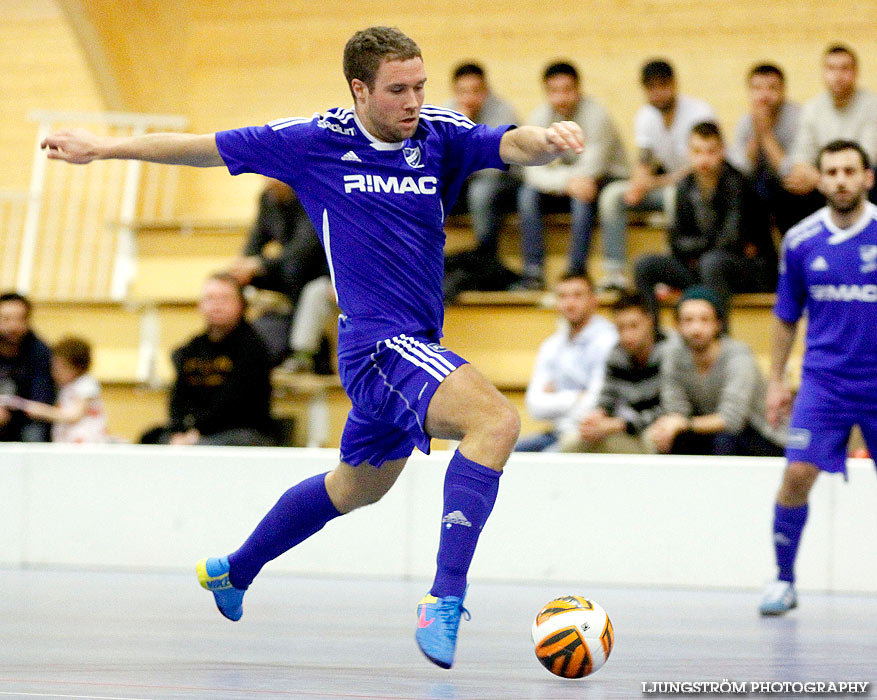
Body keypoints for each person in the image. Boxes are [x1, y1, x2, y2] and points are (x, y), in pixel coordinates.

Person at [40, 26, 586, 669]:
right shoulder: (314, 142)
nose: (413, 101)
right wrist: (101, 148)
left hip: (416, 346)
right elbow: (201, 148)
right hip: (378, 345)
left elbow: (507, 144)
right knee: (495, 420)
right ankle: (445, 597)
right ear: (359, 89)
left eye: (419, 86)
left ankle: (234, 569)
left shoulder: (437, 131)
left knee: (354, 489)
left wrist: (548, 143)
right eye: (396, 91)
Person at [758, 140, 877, 616]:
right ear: (821, 180)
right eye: (832, 171)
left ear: (867, 178)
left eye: (851, 170)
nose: (841, 179)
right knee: (797, 474)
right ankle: (783, 580)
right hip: (824, 382)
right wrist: (775, 380)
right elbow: (786, 315)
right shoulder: (801, 240)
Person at [634, 121, 777, 317]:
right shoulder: (685, 185)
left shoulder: (738, 183)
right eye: (697, 151)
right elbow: (676, 242)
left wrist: (695, 250)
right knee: (645, 265)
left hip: (750, 269)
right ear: (688, 153)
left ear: (722, 152)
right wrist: (700, 249)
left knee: (712, 263)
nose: (704, 159)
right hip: (702, 266)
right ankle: (653, 337)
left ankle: (720, 339)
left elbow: (731, 241)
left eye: (711, 151)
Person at [596, 59, 715, 291]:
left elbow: (701, 163)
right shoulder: (645, 116)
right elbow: (645, 160)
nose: (657, 93)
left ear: (674, 85)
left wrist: (656, 182)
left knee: (674, 196)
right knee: (612, 195)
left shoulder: (700, 112)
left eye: (662, 86)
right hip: (666, 182)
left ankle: (672, 268)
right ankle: (614, 272)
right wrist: (637, 185)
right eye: (651, 88)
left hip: (696, 186)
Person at [516, 62, 629, 289]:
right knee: (527, 195)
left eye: (567, 90)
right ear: (546, 93)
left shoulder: (597, 116)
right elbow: (530, 170)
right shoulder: (539, 117)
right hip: (567, 184)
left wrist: (563, 180)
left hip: (605, 179)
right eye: (554, 91)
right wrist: (566, 182)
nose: (562, 97)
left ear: (578, 90)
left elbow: (594, 166)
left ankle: (577, 270)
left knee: (583, 195)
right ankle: (533, 272)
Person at [139, 273, 276, 447]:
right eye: (210, 299)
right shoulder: (192, 348)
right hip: (198, 431)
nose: (217, 305)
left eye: (225, 298)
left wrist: (196, 431)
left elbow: (235, 405)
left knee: (204, 446)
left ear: (241, 305)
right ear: (200, 305)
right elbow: (179, 398)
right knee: (149, 439)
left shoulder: (253, 348)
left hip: (240, 431)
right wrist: (180, 430)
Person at [647, 286, 785, 457]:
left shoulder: (738, 356)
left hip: (764, 435)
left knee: (726, 440)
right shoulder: (673, 356)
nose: (696, 329)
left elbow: (732, 420)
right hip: (711, 431)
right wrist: (669, 428)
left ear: (717, 324)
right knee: (671, 439)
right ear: (678, 325)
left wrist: (684, 423)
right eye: (688, 320)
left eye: (704, 320)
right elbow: (675, 409)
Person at [227, 178, 329, 365]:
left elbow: (305, 248)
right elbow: (256, 238)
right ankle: (237, 344)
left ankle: (302, 357)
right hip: (289, 270)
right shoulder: (268, 198)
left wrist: (259, 264)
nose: (269, 181)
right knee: (235, 280)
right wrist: (243, 265)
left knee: (307, 285)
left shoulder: (312, 193)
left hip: (322, 271)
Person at [516, 272, 617, 451]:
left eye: (578, 295)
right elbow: (534, 406)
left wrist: (556, 398)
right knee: (504, 455)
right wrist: (577, 396)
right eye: (563, 296)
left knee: (546, 463)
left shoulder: (608, 341)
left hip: (588, 435)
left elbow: (595, 403)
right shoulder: (551, 344)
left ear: (594, 300)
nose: (569, 303)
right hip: (555, 432)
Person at [558, 291, 665, 453]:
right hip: (627, 428)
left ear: (650, 321)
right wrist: (597, 416)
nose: (627, 335)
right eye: (621, 328)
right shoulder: (616, 354)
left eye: (634, 326)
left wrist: (617, 424)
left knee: (654, 438)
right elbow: (607, 398)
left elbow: (669, 409)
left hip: (655, 430)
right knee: (571, 442)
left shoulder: (671, 351)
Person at [444, 62, 520, 259]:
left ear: (486, 90)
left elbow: (494, 165)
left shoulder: (503, 112)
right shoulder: (446, 114)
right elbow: (437, 160)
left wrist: (465, 131)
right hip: (464, 179)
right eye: (463, 91)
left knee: (481, 191)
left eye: (475, 91)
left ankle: (486, 256)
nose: (469, 98)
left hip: (505, 179)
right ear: (454, 92)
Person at [784, 45, 877, 201]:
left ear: (856, 72)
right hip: (822, 179)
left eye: (844, 69)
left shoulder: (872, 105)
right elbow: (801, 155)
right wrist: (808, 173)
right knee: (791, 184)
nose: (838, 75)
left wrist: (827, 176)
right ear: (823, 73)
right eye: (831, 68)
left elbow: (868, 157)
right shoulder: (811, 108)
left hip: (859, 177)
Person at [728, 63, 812, 233]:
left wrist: (766, 135)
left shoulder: (798, 118)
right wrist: (755, 136)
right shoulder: (746, 122)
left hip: (792, 191)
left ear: (783, 91)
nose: (764, 95)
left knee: (787, 190)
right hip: (760, 188)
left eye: (772, 88)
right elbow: (741, 170)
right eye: (757, 88)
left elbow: (791, 171)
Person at [18, 336, 109, 443]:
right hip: (68, 442)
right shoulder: (66, 387)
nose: (54, 373)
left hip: (85, 444)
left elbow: (74, 415)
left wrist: (43, 411)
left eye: (58, 368)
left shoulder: (85, 384)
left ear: (76, 367)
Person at [0, 292, 55, 442]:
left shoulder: (40, 352)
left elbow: (42, 399)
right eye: (5, 319)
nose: (13, 326)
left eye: (19, 319)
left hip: (26, 421)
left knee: (35, 431)